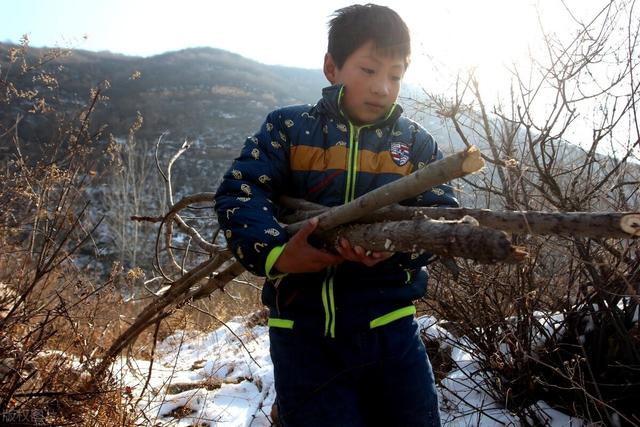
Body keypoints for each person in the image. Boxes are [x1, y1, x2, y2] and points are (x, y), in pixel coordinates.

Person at [214, 4, 457, 426]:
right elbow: (241, 189)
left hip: (392, 333)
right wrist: (277, 254)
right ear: (332, 67)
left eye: (395, 75)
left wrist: (395, 251)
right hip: (303, 335)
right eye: (368, 69)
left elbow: (441, 219)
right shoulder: (288, 129)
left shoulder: (417, 145)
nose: (382, 87)